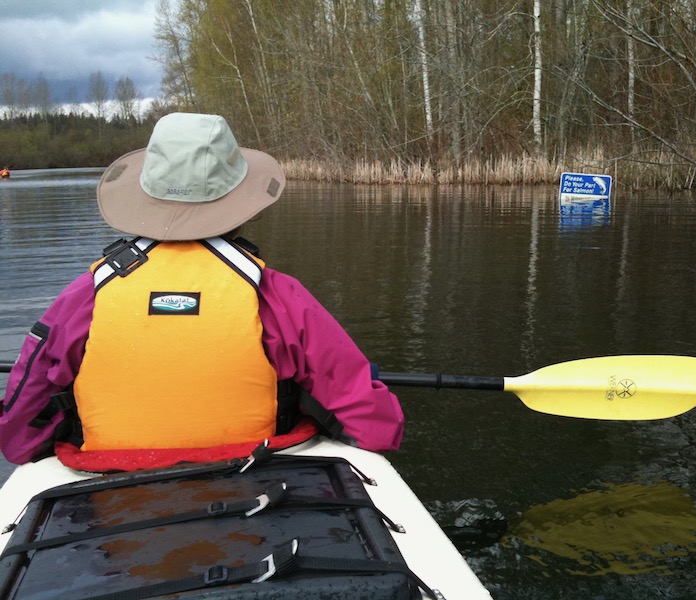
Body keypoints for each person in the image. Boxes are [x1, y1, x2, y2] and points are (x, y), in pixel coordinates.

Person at [0, 112, 404, 471]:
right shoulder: (278, 296)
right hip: (250, 480)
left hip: (110, 492)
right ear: (240, 201)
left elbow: (18, 438)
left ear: (145, 193)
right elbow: (377, 427)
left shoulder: (85, 296)